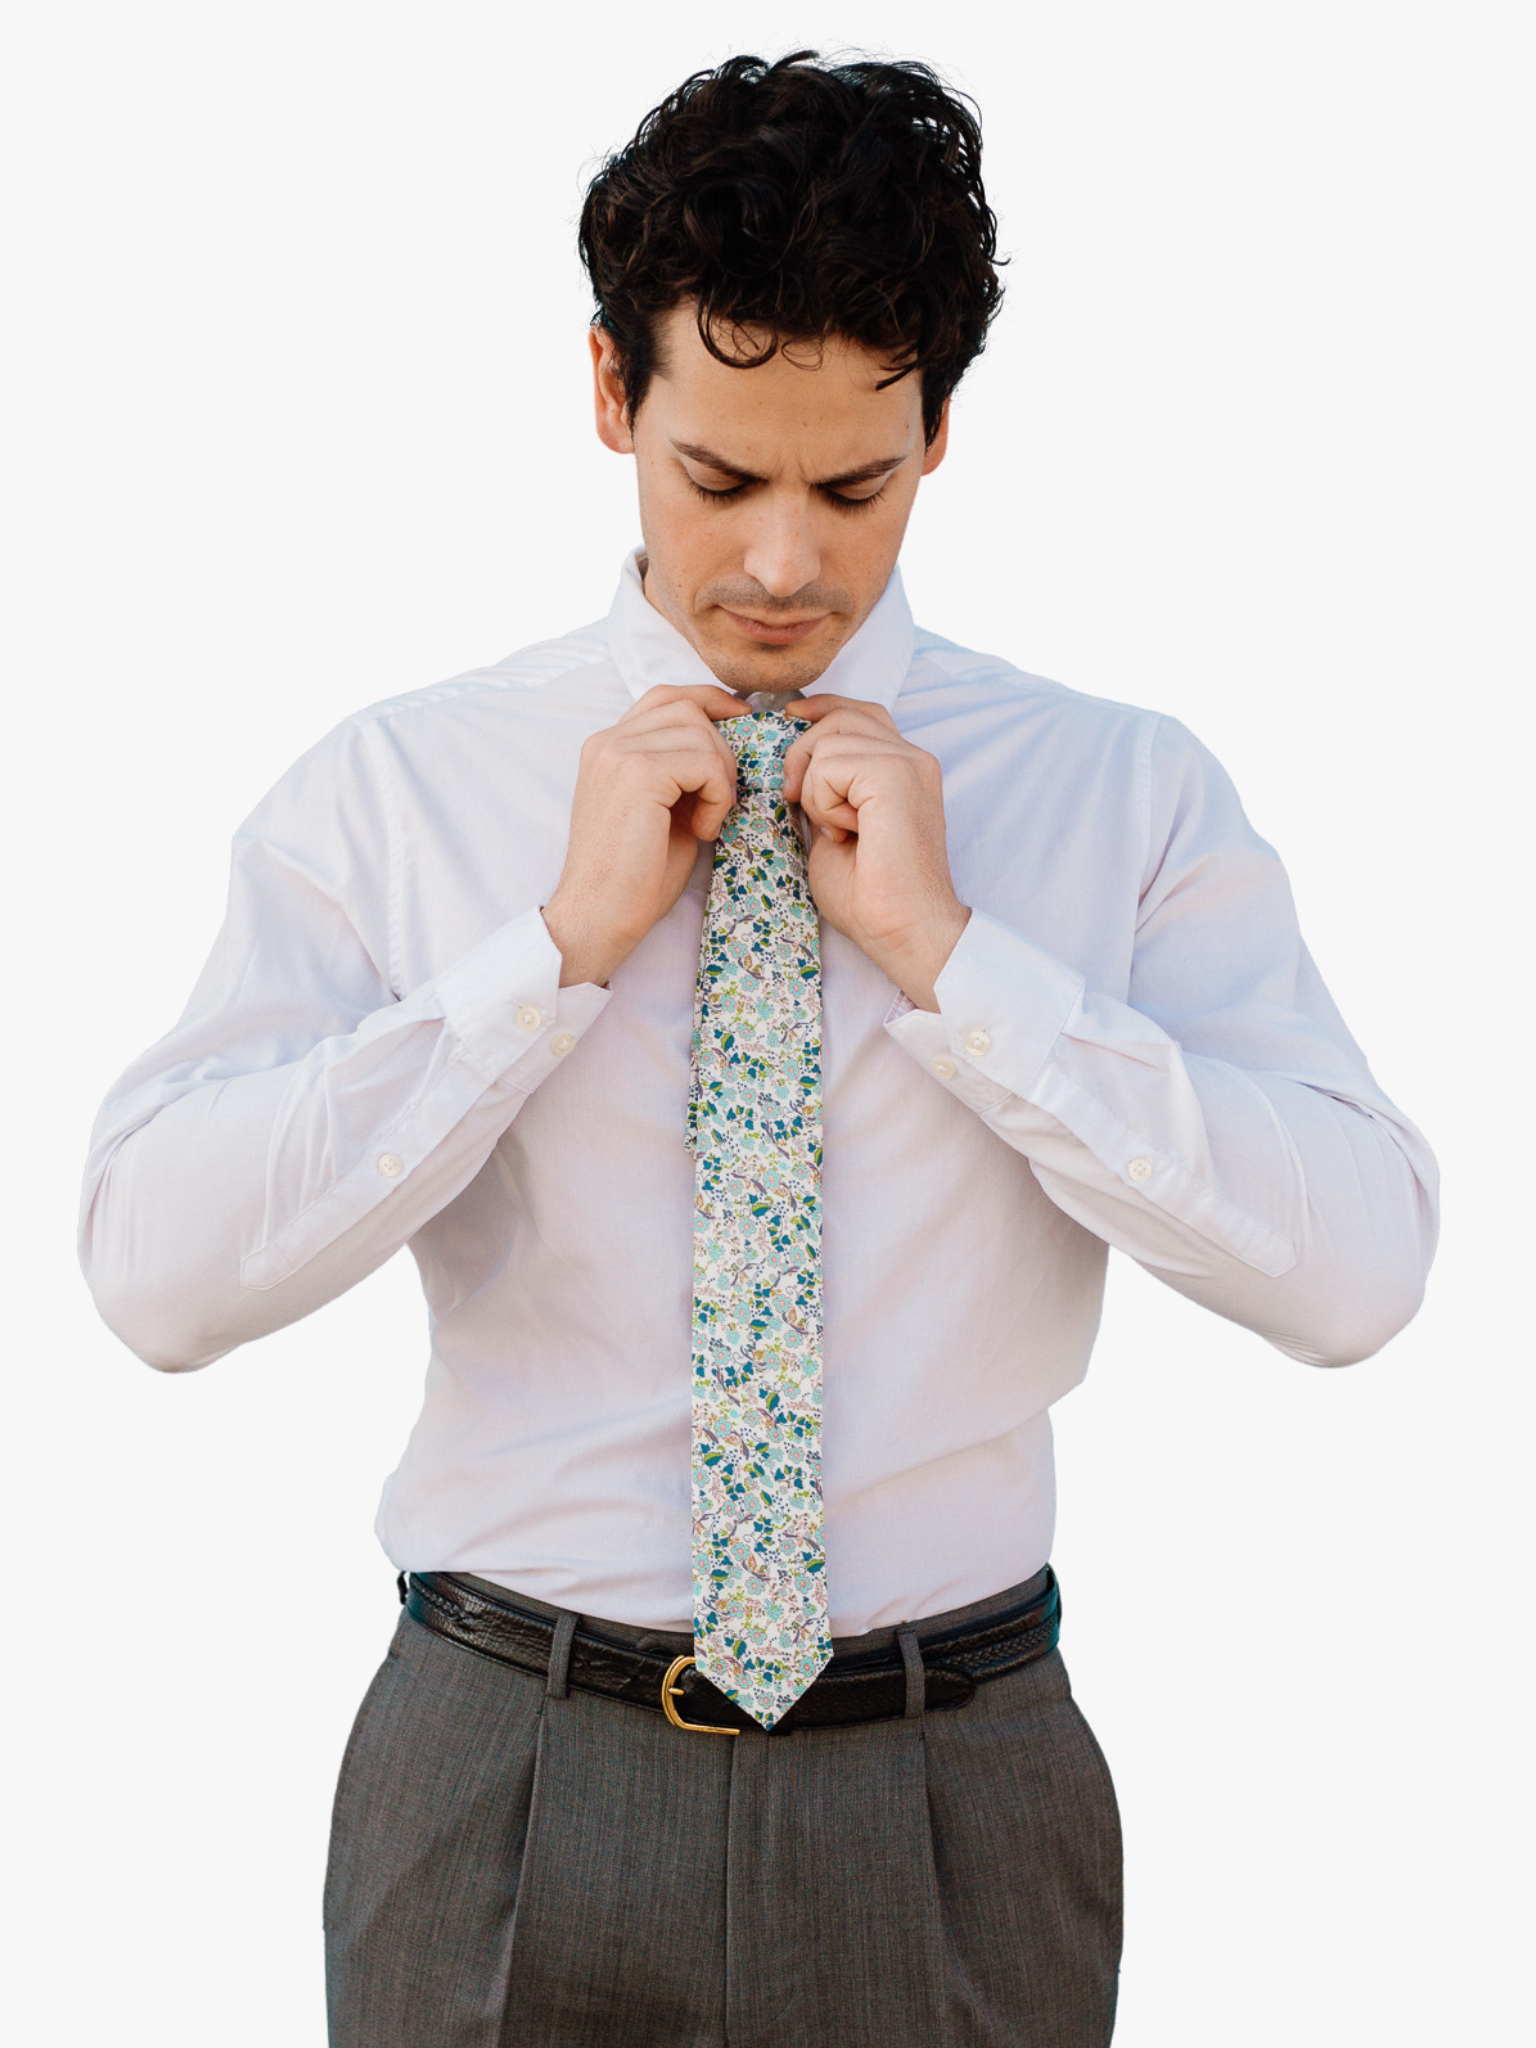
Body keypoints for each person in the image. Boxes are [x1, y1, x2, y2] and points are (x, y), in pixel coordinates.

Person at [79, 49, 1438, 2048]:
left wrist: (965, 966)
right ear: (614, 397)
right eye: (722, 480)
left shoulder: (1119, 795)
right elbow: (156, 1277)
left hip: (953, 1775)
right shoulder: (399, 789)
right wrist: (547, 958)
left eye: (853, 485)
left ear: (941, 432)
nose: (787, 564)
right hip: (506, 1774)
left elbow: (1359, 1272)